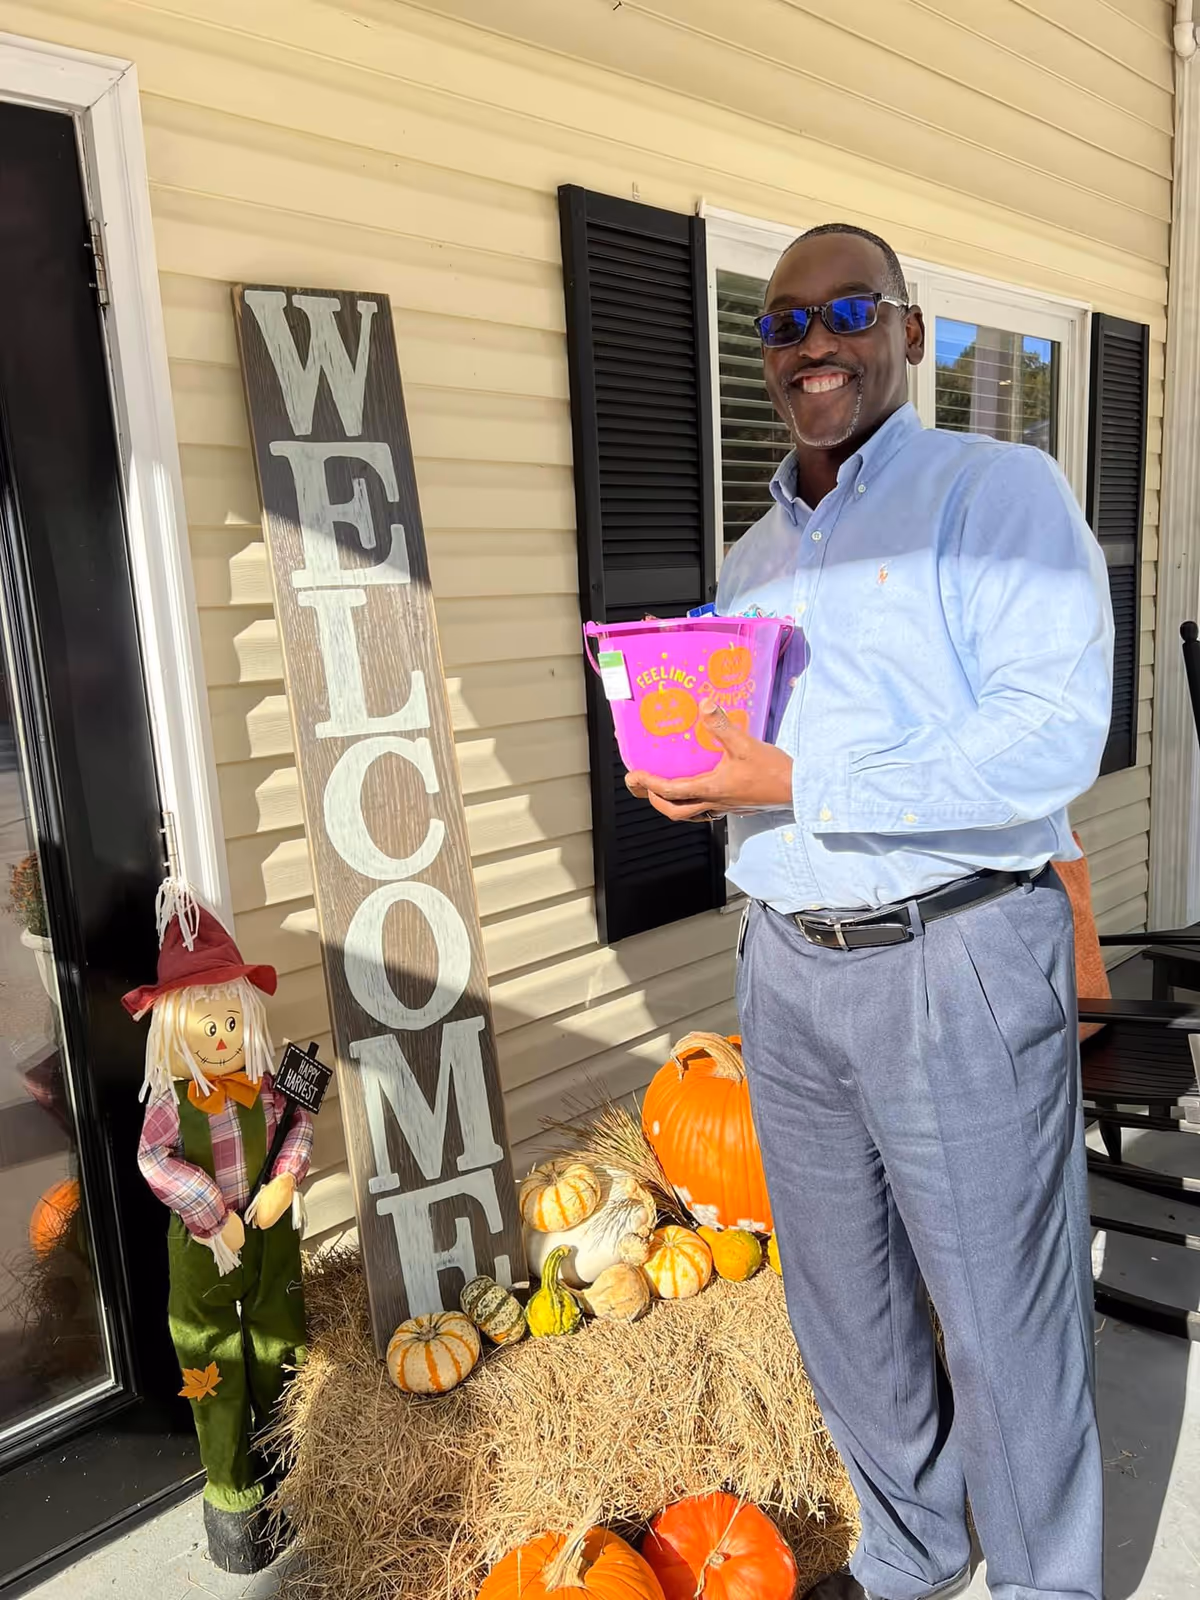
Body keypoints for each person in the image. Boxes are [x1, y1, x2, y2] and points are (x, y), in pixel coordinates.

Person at [625, 224, 1113, 1600]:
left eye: (848, 310)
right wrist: (709, 788)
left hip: (950, 955)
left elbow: (1051, 737)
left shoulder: (996, 490)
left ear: (911, 332)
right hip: (787, 965)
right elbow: (765, 757)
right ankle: (908, 1549)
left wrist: (794, 774)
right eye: (784, 324)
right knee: (844, 1302)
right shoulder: (756, 549)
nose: (814, 343)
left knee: (1002, 1323)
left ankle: (1042, 1584)